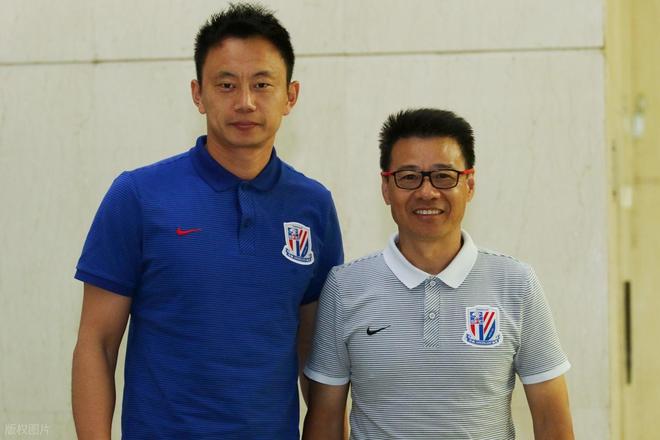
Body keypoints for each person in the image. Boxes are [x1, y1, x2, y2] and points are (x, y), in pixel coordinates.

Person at [71, 4, 343, 439]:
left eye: (262, 84)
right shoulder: (138, 196)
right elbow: (96, 344)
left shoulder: (314, 206)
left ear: (290, 96)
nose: (245, 102)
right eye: (226, 84)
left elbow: (319, 358)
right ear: (198, 94)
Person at [303, 108, 574, 439]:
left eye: (444, 176)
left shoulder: (516, 284)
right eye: (408, 177)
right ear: (386, 187)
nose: (427, 192)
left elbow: (552, 420)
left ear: (469, 185)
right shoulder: (345, 287)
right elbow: (325, 421)